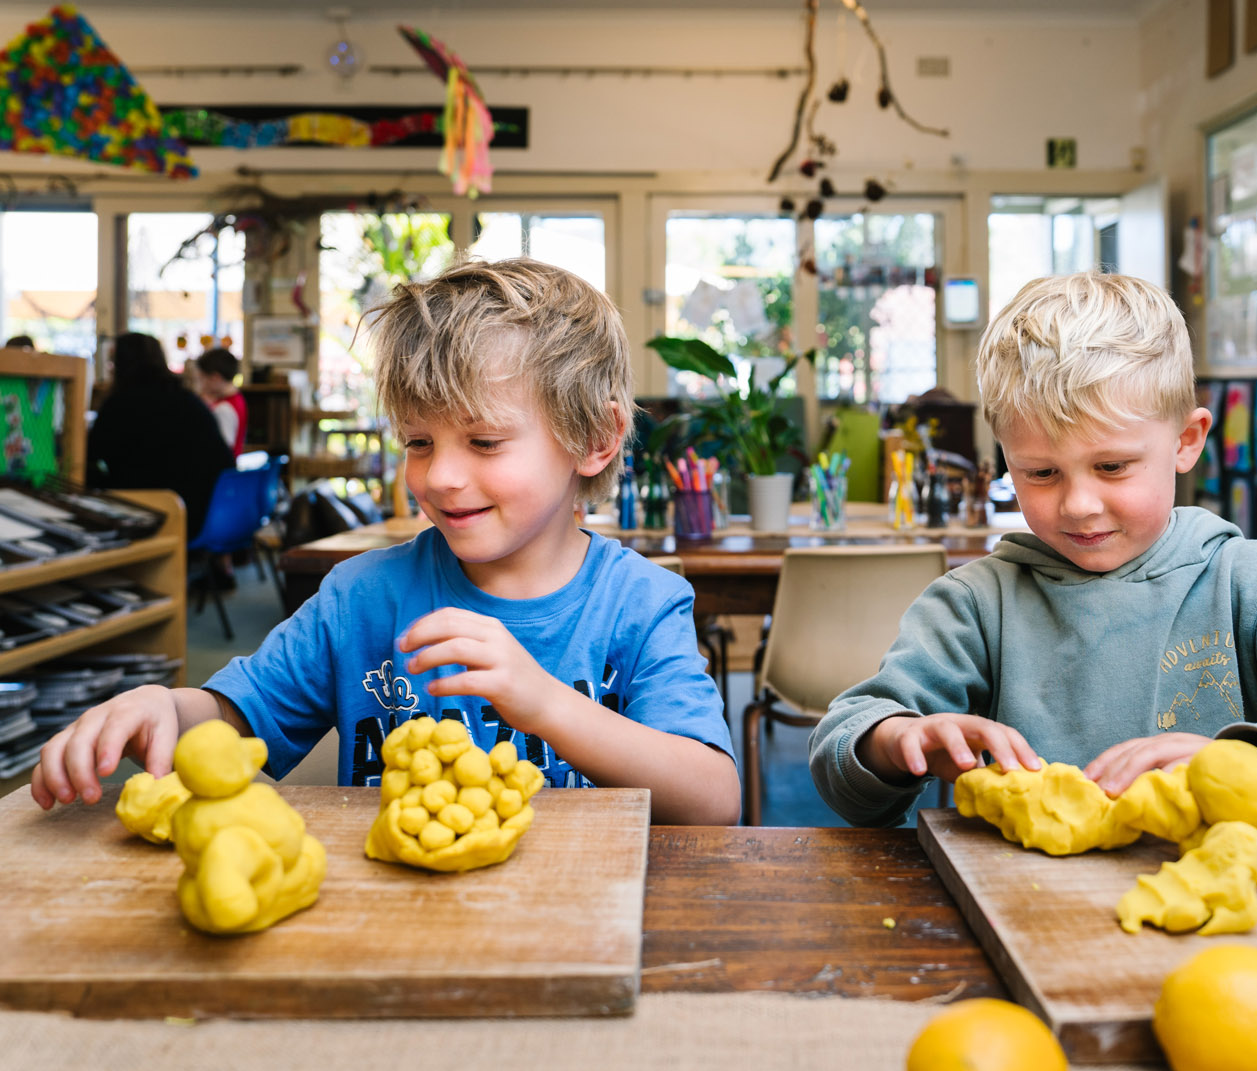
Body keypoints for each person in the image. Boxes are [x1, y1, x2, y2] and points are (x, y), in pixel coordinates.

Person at [33, 259, 739, 826]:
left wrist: (544, 701)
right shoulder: (361, 596)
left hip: (585, 925)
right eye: (419, 441)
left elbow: (712, 799)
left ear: (595, 438)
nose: (441, 475)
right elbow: (239, 719)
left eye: (484, 441)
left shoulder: (641, 603)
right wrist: (165, 708)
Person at [809, 272, 1257, 827]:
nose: (1078, 504)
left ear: (1187, 441)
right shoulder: (975, 606)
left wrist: (1255, 756)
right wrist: (896, 740)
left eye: (1112, 467)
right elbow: (845, 753)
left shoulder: (1254, 585)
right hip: (1025, 907)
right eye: (1040, 473)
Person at [87, 332, 233, 541]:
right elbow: (223, 460)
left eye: (112, 361)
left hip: (157, 514)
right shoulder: (187, 398)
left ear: (121, 364)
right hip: (205, 514)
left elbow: (93, 454)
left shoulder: (120, 405)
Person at [194, 346, 246, 456]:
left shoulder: (223, 409)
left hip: (222, 472)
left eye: (202, 378)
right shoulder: (237, 398)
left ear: (215, 378)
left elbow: (221, 452)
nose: (201, 385)